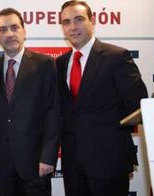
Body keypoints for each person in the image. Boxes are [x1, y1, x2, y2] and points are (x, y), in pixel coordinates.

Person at [55, 1, 148, 196]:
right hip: (73, 164)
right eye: (66, 22)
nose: (72, 27)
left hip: (110, 161)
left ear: (93, 21)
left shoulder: (117, 57)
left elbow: (138, 105)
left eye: (79, 19)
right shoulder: (61, 63)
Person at [0, 8, 61, 196]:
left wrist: (48, 157)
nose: (9, 34)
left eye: (14, 27)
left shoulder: (45, 65)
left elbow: (53, 112)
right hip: (2, 165)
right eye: (2, 29)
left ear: (24, 31)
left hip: (36, 163)